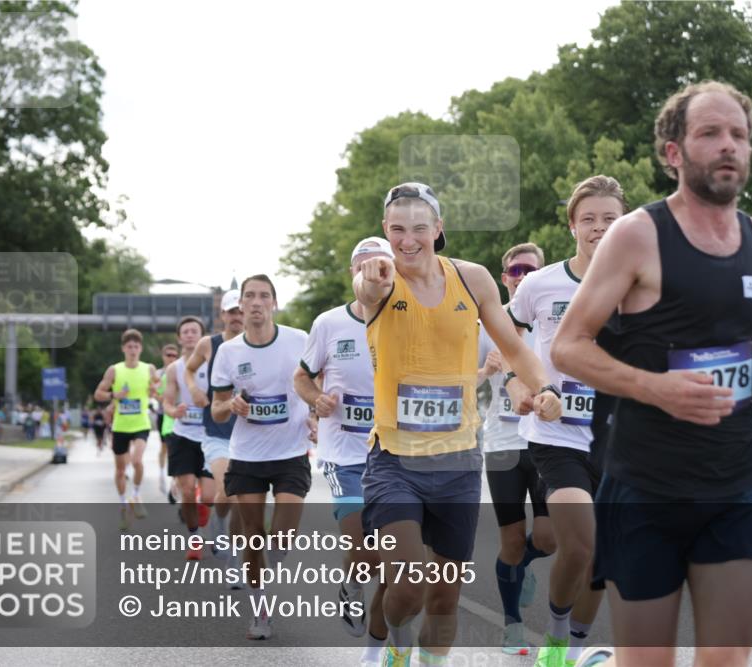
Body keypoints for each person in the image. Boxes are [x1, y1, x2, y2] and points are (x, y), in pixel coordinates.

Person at [551, 80, 752, 667]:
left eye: (739, 136)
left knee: (726, 660)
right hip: (646, 487)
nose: (728, 146)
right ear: (674, 152)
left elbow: (737, 346)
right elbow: (569, 346)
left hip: (734, 484)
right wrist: (654, 387)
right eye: (710, 133)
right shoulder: (637, 235)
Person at [354, 182, 562, 667]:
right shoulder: (381, 281)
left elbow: (513, 348)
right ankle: (391, 650)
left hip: (458, 462)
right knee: (409, 582)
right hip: (395, 462)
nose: (409, 240)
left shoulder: (472, 279)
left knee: (444, 598)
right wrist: (372, 276)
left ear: (438, 229)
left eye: (419, 229)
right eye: (398, 229)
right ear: (386, 231)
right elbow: (369, 289)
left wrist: (546, 388)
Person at [505, 176, 623, 667]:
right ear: (573, 225)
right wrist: (520, 388)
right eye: (589, 219)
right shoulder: (539, 284)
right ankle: (554, 641)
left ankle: (572, 652)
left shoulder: (643, 286)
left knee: (602, 561)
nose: (599, 228)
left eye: (610, 220)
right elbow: (510, 342)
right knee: (581, 544)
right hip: (555, 435)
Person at [294, 237, 393, 665]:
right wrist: (317, 398)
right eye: (364, 265)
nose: (373, 273)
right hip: (345, 457)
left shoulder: (407, 319)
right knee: (365, 551)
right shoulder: (329, 323)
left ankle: (375, 651)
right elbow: (302, 377)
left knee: (395, 562)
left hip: (395, 457)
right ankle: (353, 585)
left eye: (380, 265)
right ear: (353, 274)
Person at [210, 274, 312, 641]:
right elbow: (217, 408)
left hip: (291, 452)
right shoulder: (229, 352)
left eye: (263, 296)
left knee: (282, 537)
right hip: (247, 456)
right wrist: (230, 405)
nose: (255, 302)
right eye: (249, 296)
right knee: (252, 539)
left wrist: (315, 416)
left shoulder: (298, 341)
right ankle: (260, 611)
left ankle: (270, 561)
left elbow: (315, 385)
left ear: (274, 303)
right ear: (240, 305)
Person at [476, 242, 557, 656]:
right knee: (510, 540)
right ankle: (512, 626)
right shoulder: (483, 327)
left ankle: (521, 567)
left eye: (530, 269)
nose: (522, 276)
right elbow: (461, 384)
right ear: (504, 277)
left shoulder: (551, 319)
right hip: (504, 444)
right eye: (514, 270)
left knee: (548, 537)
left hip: (545, 442)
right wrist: (483, 371)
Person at [185, 289, 245, 570]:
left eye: (241, 311)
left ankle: (235, 561)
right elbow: (189, 369)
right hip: (216, 433)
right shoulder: (210, 344)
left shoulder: (260, 343)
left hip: (251, 436)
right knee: (228, 490)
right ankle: (220, 524)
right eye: (232, 312)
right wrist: (195, 389)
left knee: (245, 501)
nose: (237, 317)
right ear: (223, 315)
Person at [163, 316, 217, 560]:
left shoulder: (213, 362)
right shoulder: (174, 368)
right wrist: (174, 411)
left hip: (209, 437)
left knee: (207, 495)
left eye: (194, 331)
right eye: (185, 331)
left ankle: (206, 514)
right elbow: (167, 400)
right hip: (183, 435)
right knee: (186, 491)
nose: (189, 335)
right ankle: (195, 538)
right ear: (179, 337)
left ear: (202, 335)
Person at [94, 328, 159, 531]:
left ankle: (136, 495)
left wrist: (154, 391)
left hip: (141, 424)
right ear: (123, 348)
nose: (133, 350)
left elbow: (160, 391)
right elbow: (98, 394)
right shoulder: (115, 370)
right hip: (121, 426)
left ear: (140, 349)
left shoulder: (149, 368)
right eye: (129, 346)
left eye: (136, 346)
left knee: (138, 461)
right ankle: (123, 504)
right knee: (121, 469)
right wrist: (115, 395)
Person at [157, 344, 180, 494]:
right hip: (162, 414)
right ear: (163, 356)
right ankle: (161, 473)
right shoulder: (159, 374)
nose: (171, 358)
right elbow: (152, 392)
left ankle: (175, 481)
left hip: (179, 414)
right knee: (165, 448)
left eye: (174, 355)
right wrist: (166, 400)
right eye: (168, 355)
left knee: (176, 449)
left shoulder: (181, 370)